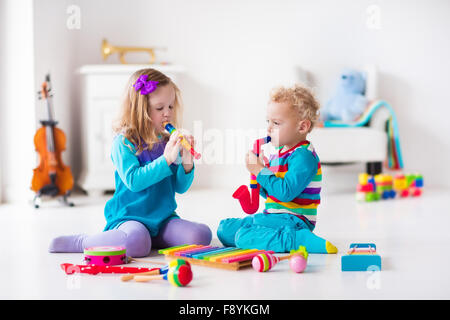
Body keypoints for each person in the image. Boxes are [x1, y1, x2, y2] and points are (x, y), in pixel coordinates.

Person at [49, 68, 211, 257]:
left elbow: (180, 187)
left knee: (201, 235)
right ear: (140, 110)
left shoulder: (168, 142)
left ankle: (155, 238)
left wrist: (187, 162)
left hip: (163, 218)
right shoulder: (124, 142)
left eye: (171, 106)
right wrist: (166, 160)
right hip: (130, 217)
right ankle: (83, 241)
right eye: (160, 108)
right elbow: (134, 181)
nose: (167, 113)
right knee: (136, 243)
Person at [217, 84, 338, 253]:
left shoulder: (304, 157)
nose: (269, 128)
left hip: (294, 220)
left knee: (241, 237)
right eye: (268, 121)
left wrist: (260, 171)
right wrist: (258, 172)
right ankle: (266, 236)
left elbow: (285, 192)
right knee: (224, 229)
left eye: (276, 123)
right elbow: (270, 194)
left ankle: (296, 239)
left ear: (302, 127)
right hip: (273, 217)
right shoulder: (279, 153)